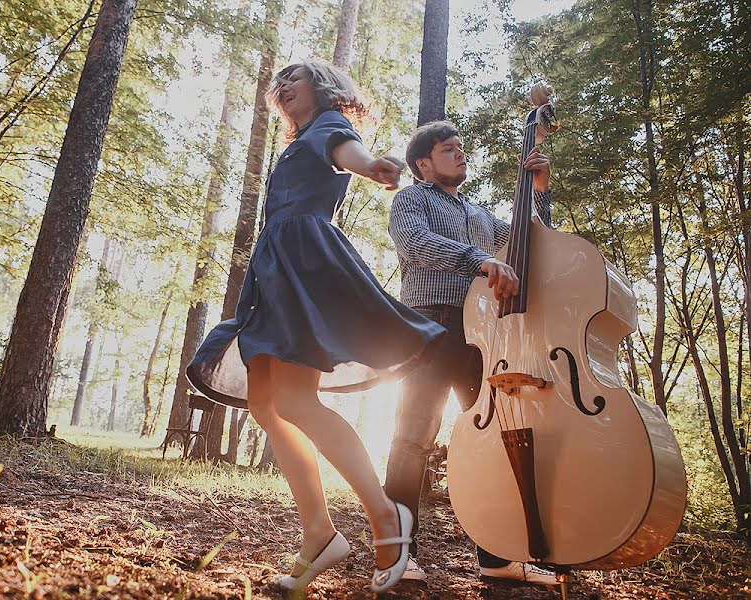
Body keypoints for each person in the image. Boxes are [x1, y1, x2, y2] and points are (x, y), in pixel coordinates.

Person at [186, 60, 447, 593]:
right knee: (266, 403)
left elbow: (348, 154)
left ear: (322, 89)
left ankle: (385, 516)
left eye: (294, 79)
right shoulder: (297, 138)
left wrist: (372, 166)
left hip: (304, 265)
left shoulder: (329, 125)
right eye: (277, 82)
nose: (282, 87)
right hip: (275, 267)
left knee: (298, 401)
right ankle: (320, 534)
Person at [384, 121, 558, 586]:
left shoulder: (481, 215)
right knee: (412, 438)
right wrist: (479, 260)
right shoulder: (412, 199)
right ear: (424, 162)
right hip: (429, 324)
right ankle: (396, 553)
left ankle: (496, 556)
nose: (460, 154)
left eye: (461, 148)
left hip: (484, 335)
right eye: (448, 149)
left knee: (496, 440)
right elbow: (417, 246)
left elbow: (531, 243)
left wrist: (538, 191)